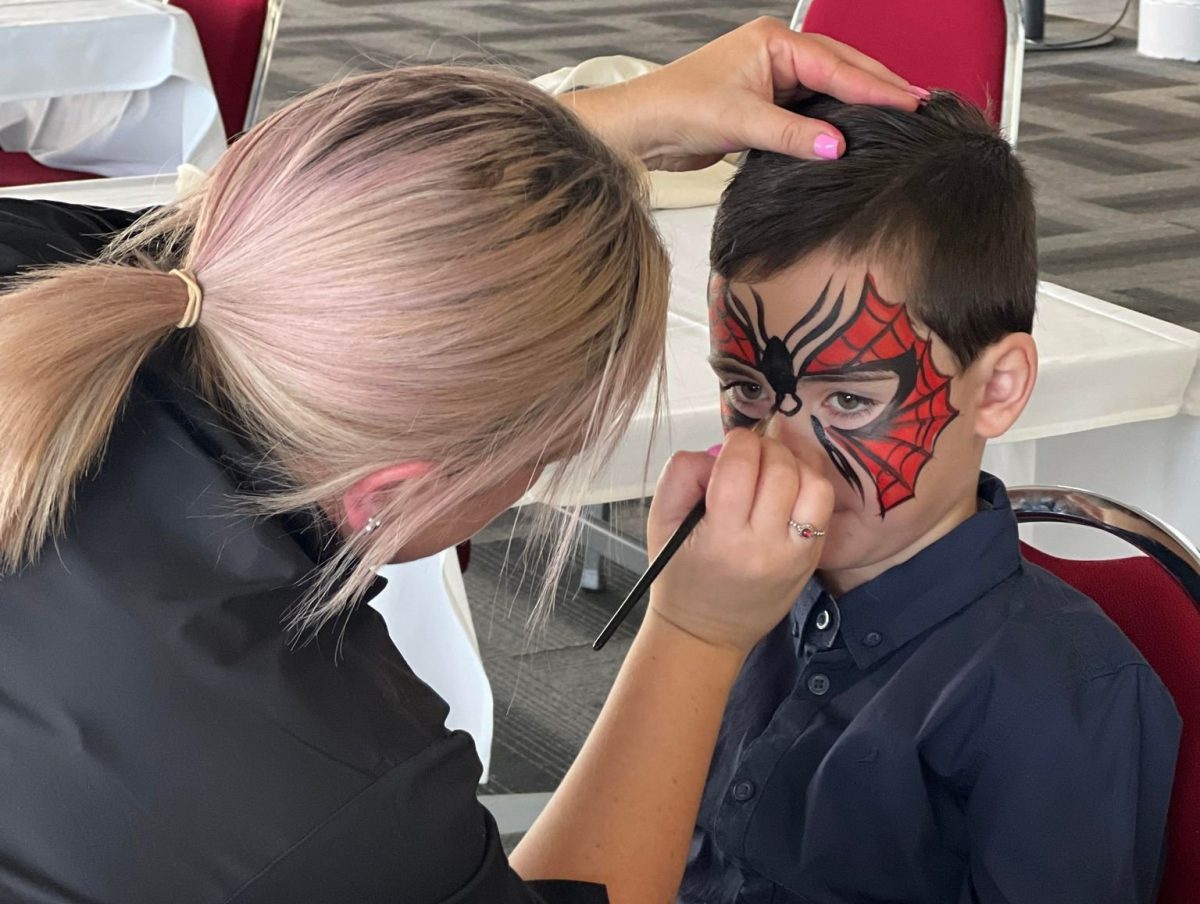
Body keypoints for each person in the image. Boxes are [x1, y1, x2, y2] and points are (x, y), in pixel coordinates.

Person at [0, 18, 927, 904]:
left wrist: (567, 151)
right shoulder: (338, 798)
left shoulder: (45, 268)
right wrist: (696, 633)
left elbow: (269, 259)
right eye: (547, 458)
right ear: (390, 497)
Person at [679, 91, 1183, 904]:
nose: (783, 458)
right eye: (745, 391)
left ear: (997, 388)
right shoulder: (740, 598)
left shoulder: (1056, 703)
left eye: (848, 401)